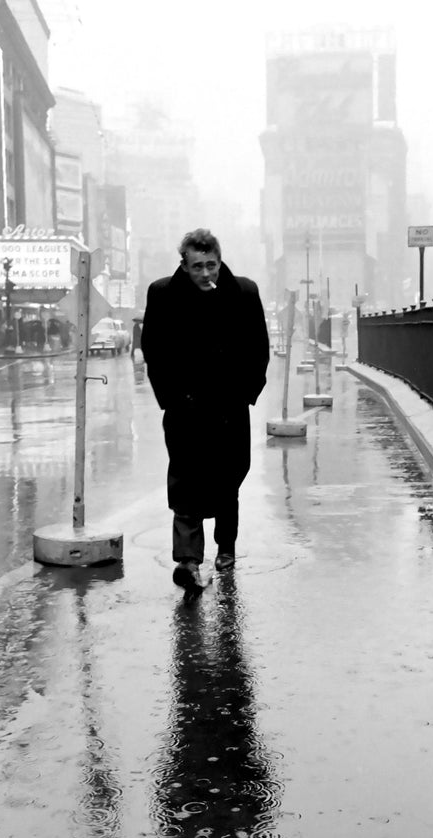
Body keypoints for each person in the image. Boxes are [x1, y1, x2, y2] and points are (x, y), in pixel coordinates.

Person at [141, 229, 270, 593]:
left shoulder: (243, 292)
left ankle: (225, 546)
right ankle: (188, 560)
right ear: (184, 264)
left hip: (229, 408)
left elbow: (259, 346)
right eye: (197, 266)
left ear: (219, 259)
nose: (205, 273)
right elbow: (152, 347)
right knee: (186, 480)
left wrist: (247, 392)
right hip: (185, 408)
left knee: (229, 478)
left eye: (211, 265)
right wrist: (169, 397)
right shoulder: (163, 293)